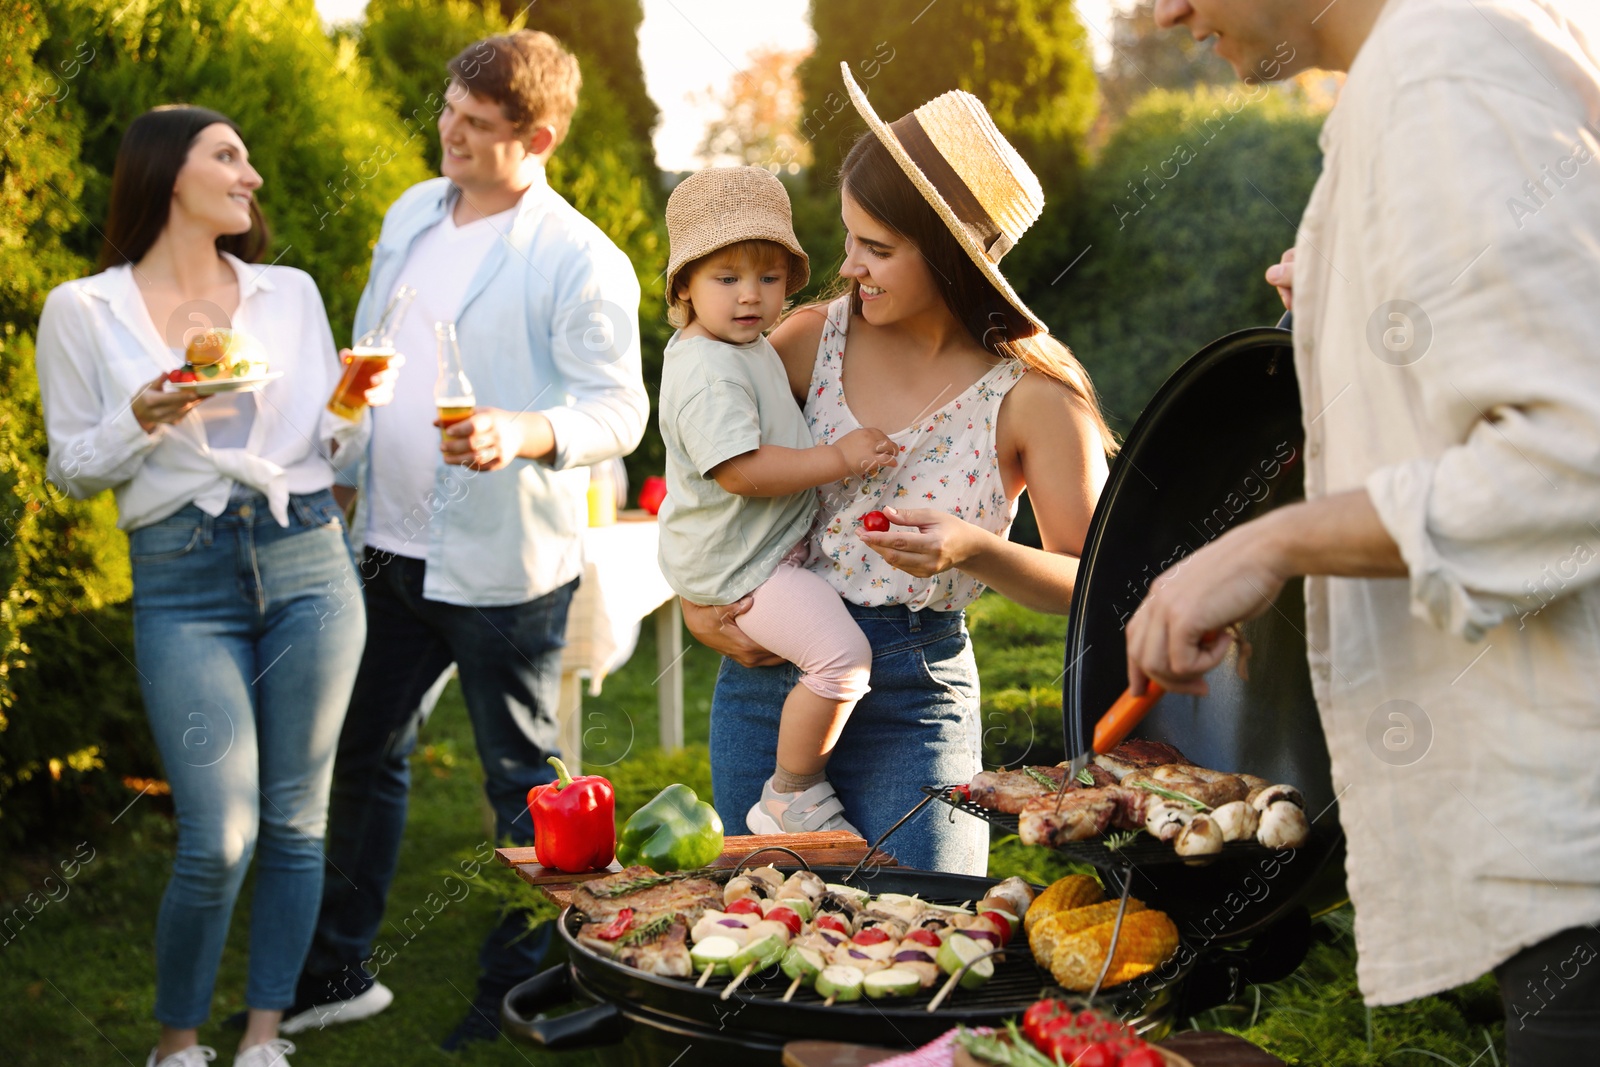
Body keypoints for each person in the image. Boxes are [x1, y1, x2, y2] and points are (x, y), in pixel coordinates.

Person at [1132, 0, 1600, 1060]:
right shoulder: (1422, 70)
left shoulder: (1440, 67)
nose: (1163, 10)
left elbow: (1574, 454)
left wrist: (1267, 542)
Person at [285, 30, 648, 1050]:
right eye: (448, 110)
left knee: (522, 786)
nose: (448, 131)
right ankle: (336, 968)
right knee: (362, 752)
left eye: (476, 126)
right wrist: (344, 430)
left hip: (503, 567)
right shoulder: (410, 211)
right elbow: (373, 337)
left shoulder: (582, 258)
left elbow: (619, 410)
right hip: (386, 546)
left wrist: (520, 430)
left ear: (537, 139)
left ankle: (520, 984)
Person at [685, 68, 1117, 873]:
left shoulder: (1034, 400)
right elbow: (712, 472)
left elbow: (1100, 583)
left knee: (924, 939)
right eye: (850, 238)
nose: (849, 266)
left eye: (877, 248)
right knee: (757, 945)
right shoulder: (809, 342)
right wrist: (694, 599)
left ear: (954, 256)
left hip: (914, 699)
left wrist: (974, 551)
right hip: (768, 682)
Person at [35, 105, 385, 1067]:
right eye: (228, 156)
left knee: (296, 816)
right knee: (218, 831)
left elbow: (326, 444)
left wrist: (356, 406)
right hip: (182, 576)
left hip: (308, 556)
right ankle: (177, 1043)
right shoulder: (83, 309)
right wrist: (142, 415)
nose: (252, 176)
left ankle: (264, 1036)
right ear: (167, 173)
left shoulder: (289, 293)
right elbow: (71, 468)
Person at [659, 166, 897, 836]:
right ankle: (792, 792)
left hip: (754, 553)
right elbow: (738, 469)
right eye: (726, 278)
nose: (750, 296)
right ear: (685, 285)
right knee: (840, 659)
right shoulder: (707, 369)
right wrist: (840, 458)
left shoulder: (742, 346)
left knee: (834, 655)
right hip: (746, 568)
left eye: (767, 278)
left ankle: (794, 788)